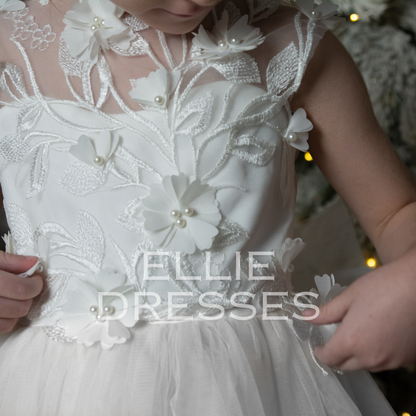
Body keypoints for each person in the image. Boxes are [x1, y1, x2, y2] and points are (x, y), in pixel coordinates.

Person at [0, 0, 414, 414]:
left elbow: (394, 211)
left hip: (268, 379)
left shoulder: (288, 40)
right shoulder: (7, 45)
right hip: (61, 387)